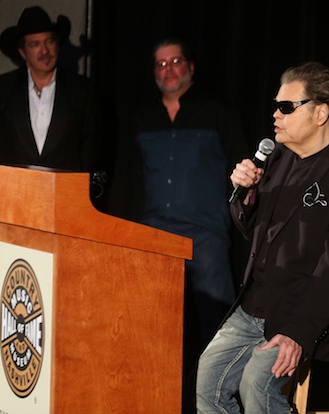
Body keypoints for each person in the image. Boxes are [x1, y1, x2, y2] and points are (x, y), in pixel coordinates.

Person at [196, 61, 329, 413]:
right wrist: (246, 194)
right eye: (275, 106)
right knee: (207, 380)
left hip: (305, 307)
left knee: (256, 384)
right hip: (255, 305)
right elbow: (256, 231)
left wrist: (297, 331)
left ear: (321, 112)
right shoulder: (279, 157)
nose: (275, 115)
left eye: (286, 107)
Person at [0, 6, 101, 414]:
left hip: (66, 219)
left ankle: (62, 394)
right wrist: (19, 189)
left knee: (63, 305)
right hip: (14, 217)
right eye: (35, 44)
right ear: (22, 52)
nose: (44, 50)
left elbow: (93, 154)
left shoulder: (83, 92)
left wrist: (73, 200)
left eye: (49, 42)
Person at [108, 37, 248, 412]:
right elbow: (126, 179)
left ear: (190, 66)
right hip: (152, 239)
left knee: (215, 333)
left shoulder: (218, 112)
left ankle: (213, 406)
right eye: (160, 64)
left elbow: (244, 172)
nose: (168, 69)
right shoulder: (140, 118)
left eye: (175, 61)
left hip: (205, 240)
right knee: (150, 332)